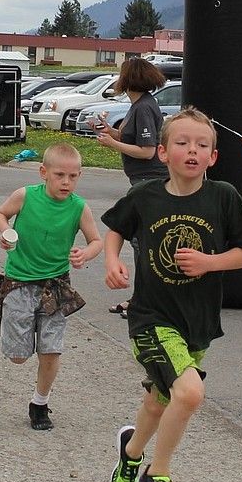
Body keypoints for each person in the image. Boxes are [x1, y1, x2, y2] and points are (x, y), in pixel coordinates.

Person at [102, 108, 242, 482]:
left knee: (159, 400)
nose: (193, 151)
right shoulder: (146, 196)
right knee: (189, 394)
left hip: (198, 323)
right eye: (183, 143)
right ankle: (158, 475)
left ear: (213, 157)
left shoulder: (224, 196)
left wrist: (210, 261)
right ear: (163, 153)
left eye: (202, 145)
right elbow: (116, 227)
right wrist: (112, 261)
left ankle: (131, 454)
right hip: (151, 317)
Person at [0, 143, 102, 431]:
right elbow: (0, 214)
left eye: (73, 176)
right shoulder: (25, 196)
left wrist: (85, 254)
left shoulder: (79, 207)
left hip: (56, 286)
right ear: (44, 172)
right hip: (19, 282)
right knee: (17, 356)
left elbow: (96, 241)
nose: (66, 182)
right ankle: (13, 321)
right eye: (60, 175)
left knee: (51, 350)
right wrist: (5, 232)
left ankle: (39, 404)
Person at [93, 57, 170, 319]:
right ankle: (141, 297)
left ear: (129, 79)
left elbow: (147, 151)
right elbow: (134, 139)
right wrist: (112, 133)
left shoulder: (144, 108)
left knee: (142, 241)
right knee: (140, 241)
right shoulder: (138, 106)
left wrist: (113, 145)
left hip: (149, 183)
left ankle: (145, 300)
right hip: (140, 182)